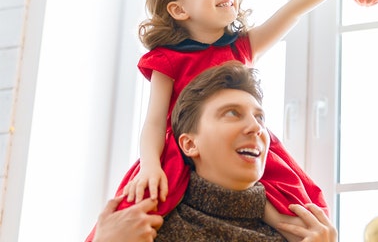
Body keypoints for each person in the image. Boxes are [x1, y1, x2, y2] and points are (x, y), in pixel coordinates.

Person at [85, 0, 378, 241]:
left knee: (297, 209)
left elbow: (296, 7)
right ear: (178, 10)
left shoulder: (242, 47)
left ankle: (279, 225)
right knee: (142, 204)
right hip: (182, 147)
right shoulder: (168, 59)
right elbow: (153, 122)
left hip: (233, 148)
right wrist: (150, 165)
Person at [93, 62, 337, 242]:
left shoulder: (303, 235)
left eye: (259, 117)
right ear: (189, 144)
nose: (257, 128)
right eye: (232, 113)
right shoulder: (141, 231)